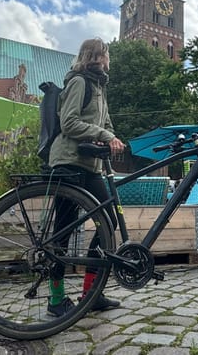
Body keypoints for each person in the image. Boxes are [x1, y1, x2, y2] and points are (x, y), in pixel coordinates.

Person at [46, 38, 126, 317]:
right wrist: (105, 135)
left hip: (90, 166)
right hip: (68, 162)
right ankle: (56, 300)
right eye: (106, 55)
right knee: (64, 230)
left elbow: (103, 123)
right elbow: (69, 123)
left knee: (108, 221)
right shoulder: (79, 81)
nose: (108, 60)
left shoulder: (99, 86)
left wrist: (112, 136)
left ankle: (91, 293)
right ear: (97, 56)